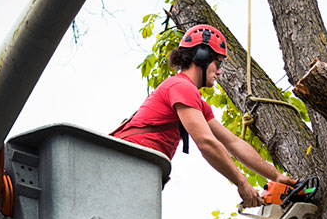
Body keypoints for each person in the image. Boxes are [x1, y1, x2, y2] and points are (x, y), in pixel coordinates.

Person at [112, 24, 296, 208]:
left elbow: (233, 143)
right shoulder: (181, 87)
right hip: (124, 162)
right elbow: (206, 143)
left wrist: (277, 176)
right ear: (201, 57)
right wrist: (241, 182)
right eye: (218, 63)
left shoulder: (194, 101)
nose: (219, 71)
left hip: (138, 167)